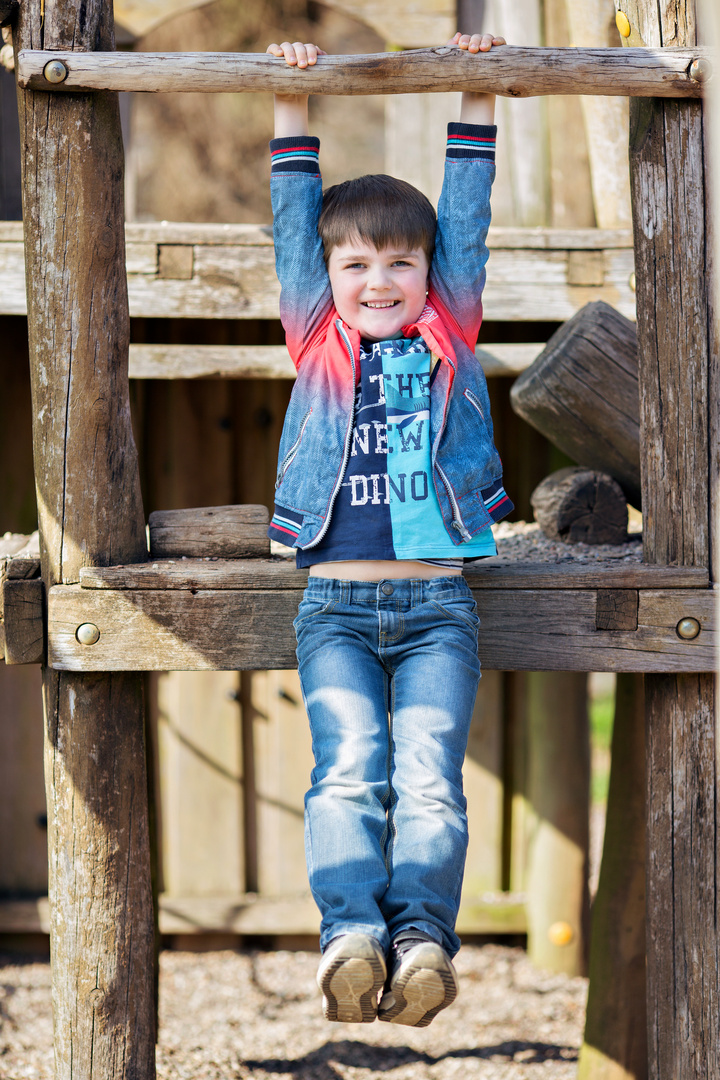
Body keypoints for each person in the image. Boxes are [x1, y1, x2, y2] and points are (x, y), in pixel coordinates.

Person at [265, 30, 511, 1027]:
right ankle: (350, 938)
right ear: (328, 277)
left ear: (427, 274)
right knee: (346, 774)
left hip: (440, 607)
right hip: (335, 608)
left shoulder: (447, 331)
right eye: (356, 262)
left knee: (429, 785)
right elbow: (292, 222)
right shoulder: (315, 338)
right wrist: (292, 102)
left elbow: (468, 213)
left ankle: (420, 947)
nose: (377, 279)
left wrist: (478, 88)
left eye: (398, 262)